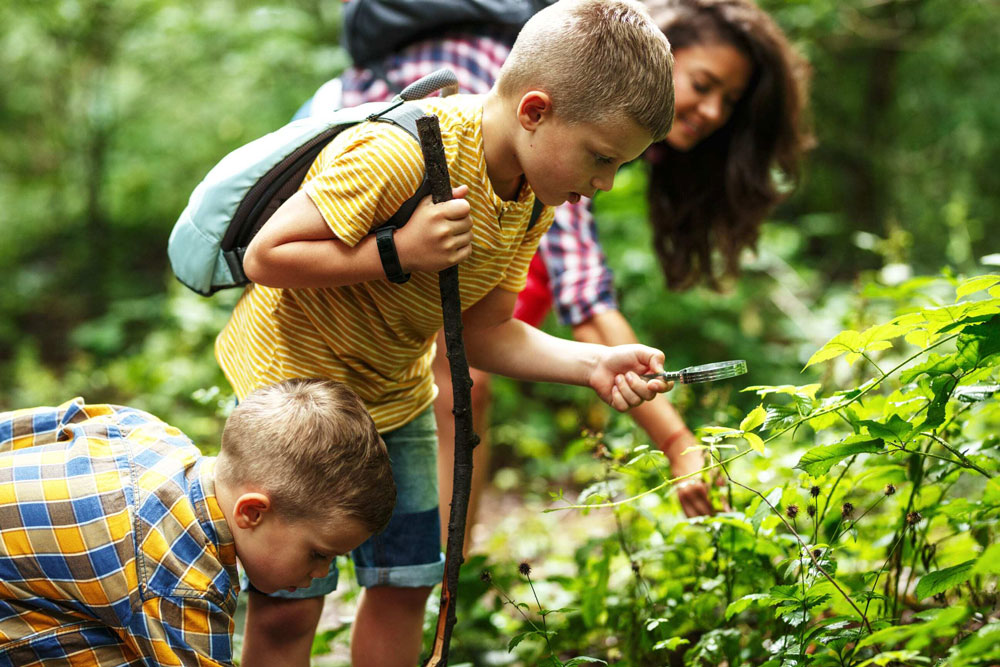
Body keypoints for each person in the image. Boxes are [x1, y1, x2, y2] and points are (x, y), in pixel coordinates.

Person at [213, 1, 676, 665]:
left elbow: (485, 334)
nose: (602, 184)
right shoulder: (398, 153)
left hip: (398, 400)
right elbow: (267, 256)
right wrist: (397, 250)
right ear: (536, 110)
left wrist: (595, 363)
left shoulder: (528, 198)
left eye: (618, 166)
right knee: (289, 602)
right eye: (601, 159)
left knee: (406, 586)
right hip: (296, 397)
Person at [317, 0, 812, 548]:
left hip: (413, 229)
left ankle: (434, 580)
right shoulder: (549, 106)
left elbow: (516, 315)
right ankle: (420, 570)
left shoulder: (583, 139)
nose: (715, 112)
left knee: (472, 360)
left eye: (730, 101)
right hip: (340, 181)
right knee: (458, 381)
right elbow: (587, 300)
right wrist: (677, 443)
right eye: (703, 83)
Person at [0, 379, 395, 667]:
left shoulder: (152, 434)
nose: (323, 573)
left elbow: (39, 425)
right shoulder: (183, 582)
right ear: (252, 512)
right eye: (318, 554)